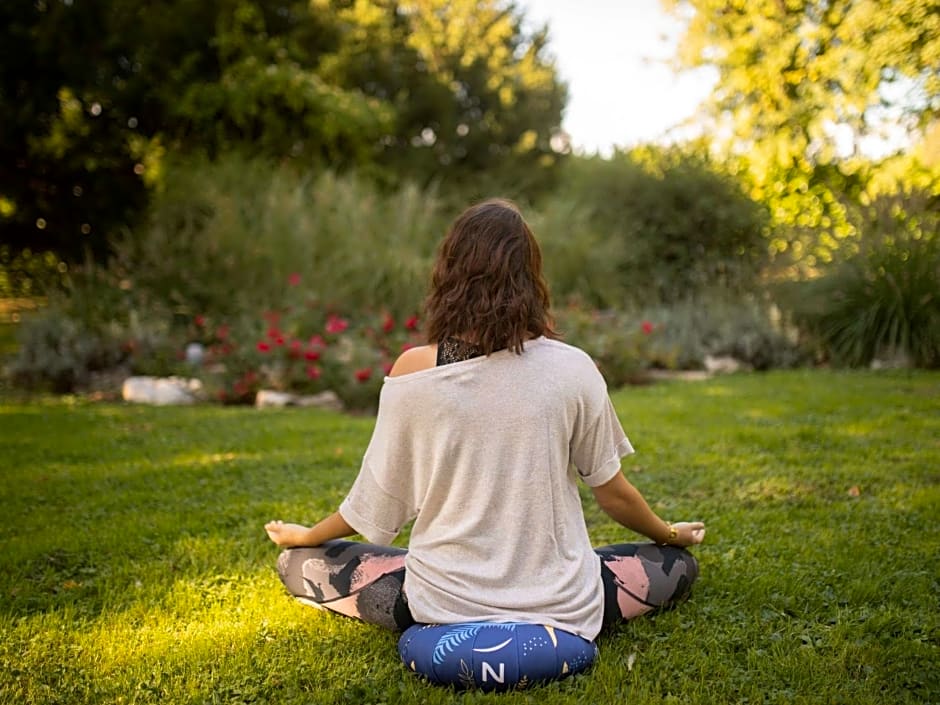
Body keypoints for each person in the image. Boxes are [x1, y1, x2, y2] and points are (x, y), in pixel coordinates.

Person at [265, 198, 705, 640]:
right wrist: (669, 535)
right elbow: (613, 494)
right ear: (531, 276)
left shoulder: (413, 370)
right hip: (560, 601)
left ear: (449, 274)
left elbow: (375, 502)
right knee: (678, 566)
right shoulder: (574, 368)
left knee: (296, 564)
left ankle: (438, 608)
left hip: (439, 601)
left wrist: (308, 537)